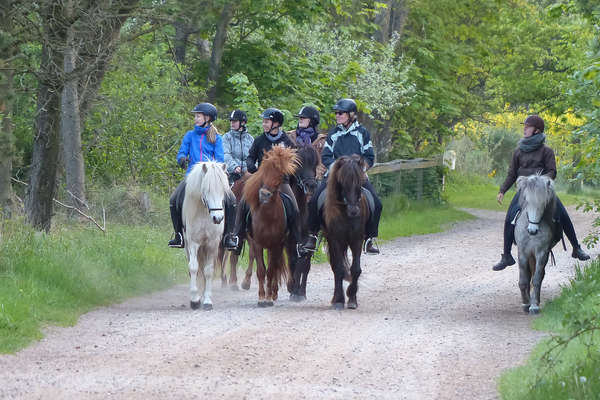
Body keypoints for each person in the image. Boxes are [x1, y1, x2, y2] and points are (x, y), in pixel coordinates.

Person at [492, 114, 590, 270]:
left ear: (536, 130)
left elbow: (552, 171)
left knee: (562, 213)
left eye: (527, 127)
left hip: (543, 190)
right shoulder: (518, 151)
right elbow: (512, 174)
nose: (524, 129)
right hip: (524, 192)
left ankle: (576, 248)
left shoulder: (547, 151)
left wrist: (540, 183)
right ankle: (507, 255)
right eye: (524, 126)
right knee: (510, 217)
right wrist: (502, 190)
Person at [301, 98, 383, 255]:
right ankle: (312, 235)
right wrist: (338, 170)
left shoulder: (362, 133)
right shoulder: (333, 133)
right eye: (336, 113)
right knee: (314, 201)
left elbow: (369, 156)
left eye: (340, 113)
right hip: (334, 175)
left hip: (357, 177)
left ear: (351, 115)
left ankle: (369, 238)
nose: (337, 116)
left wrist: (358, 170)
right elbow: (326, 156)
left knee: (377, 204)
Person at [223, 107, 304, 256]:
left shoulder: (287, 141)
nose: (264, 124)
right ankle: (236, 237)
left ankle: (298, 243)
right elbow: (250, 157)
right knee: (243, 203)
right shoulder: (260, 140)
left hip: (281, 183)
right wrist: (251, 166)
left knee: (294, 207)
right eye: (264, 121)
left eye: (267, 121)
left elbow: (295, 163)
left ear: (276, 123)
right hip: (261, 181)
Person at [168, 102, 235, 248]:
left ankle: (228, 236)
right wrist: (181, 159)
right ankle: (179, 235)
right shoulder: (190, 135)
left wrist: (213, 171)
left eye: (198, 116)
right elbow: (182, 152)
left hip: (211, 178)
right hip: (192, 177)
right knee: (174, 199)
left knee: (231, 200)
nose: (195, 119)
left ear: (208, 118)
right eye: (196, 116)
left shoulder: (217, 138)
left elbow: (219, 159)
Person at [223, 109, 254, 185]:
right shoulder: (226, 137)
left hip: (248, 174)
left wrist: (252, 168)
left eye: (235, 121)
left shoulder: (250, 139)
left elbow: (254, 157)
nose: (232, 123)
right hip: (232, 174)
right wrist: (234, 167)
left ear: (242, 122)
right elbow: (226, 154)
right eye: (231, 121)